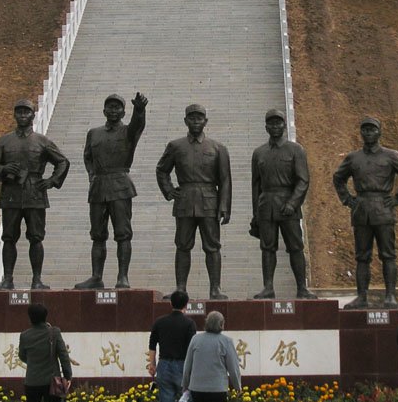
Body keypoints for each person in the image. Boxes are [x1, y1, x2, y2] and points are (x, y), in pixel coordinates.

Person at [333, 116, 398, 308]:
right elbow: (338, 178)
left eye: (372, 130)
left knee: (388, 254)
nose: (368, 133)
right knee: (362, 256)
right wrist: (348, 199)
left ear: (379, 132)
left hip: (383, 207)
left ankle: (390, 296)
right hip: (361, 208)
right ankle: (362, 296)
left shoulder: (391, 155)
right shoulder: (353, 158)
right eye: (365, 130)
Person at [0, 99, 70, 290]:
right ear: (14, 115)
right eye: (19, 112)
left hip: (35, 192)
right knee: (9, 237)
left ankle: (37, 279)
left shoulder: (42, 141)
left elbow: (62, 161)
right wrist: (4, 169)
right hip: (11, 192)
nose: (23, 116)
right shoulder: (4, 141)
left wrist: (52, 181)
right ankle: (7, 279)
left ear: (33, 115)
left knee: (36, 237)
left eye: (27, 112)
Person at [156, 103, 232, 300]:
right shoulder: (176, 146)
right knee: (182, 245)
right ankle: (181, 288)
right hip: (185, 200)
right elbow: (162, 169)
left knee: (213, 246)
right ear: (185, 121)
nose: (196, 121)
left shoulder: (218, 148)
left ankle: (215, 288)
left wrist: (224, 206)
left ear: (205, 121)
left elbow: (225, 180)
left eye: (199, 118)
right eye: (192, 118)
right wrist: (169, 190)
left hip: (209, 201)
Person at [74, 92, 148, 290]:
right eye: (110, 107)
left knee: (123, 233)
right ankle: (96, 276)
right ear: (103, 110)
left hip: (120, 185)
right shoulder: (94, 133)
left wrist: (139, 110)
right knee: (97, 234)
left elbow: (138, 125)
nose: (113, 111)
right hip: (98, 187)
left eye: (118, 107)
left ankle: (122, 277)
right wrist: (92, 175)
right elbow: (87, 156)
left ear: (124, 112)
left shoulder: (128, 132)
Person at [249, 109, 315, 299]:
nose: (275, 126)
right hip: (267, 205)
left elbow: (303, 180)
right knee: (267, 247)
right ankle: (268, 287)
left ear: (284, 126)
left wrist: (293, 203)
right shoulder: (259, 153)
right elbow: (256, 186)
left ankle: (302, 288)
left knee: (295, 246)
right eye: (271, 123)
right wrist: (256, 215)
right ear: (266, 127)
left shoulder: (296, 150)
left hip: (288, 205)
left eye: (278, 123)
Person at [182, 310, 242, 402]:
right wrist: (237, 387)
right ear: (221, 324)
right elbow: (233, 369)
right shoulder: (226, 341)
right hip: (218, 389)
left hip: (197, 388)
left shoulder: (195, 339)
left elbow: (187, 366)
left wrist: (185, 386)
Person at [148, 290, 197, 402]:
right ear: (186, 304)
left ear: (170, 303)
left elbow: (152, 345)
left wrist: (152, 365)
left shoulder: (160, 322)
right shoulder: (189, 323)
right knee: (189, 401)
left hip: (164, 365)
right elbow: (192, 348)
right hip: (183, 366)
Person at [18, 302, 72, 402]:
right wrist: (67, 376)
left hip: (32, 381)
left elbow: (22, 356)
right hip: (52, 382)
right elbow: (63, 356)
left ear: (30, 317)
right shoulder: (54, 332)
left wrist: (33, 363)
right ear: (45, 316)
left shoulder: (25, 335)